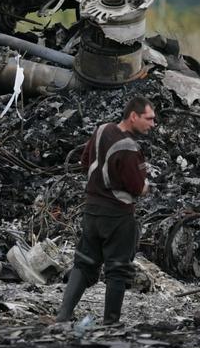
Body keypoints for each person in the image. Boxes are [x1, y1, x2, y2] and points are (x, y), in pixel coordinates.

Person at [55, 96, 156, 324]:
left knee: (84, 261)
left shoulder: (101, 130)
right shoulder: (130, 148)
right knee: (117, 268)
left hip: (91, 211)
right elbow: (138, 188)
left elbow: (84, 162)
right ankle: (111, 322)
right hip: (118, 216)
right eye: (148, 119)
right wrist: (147, 187)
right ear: (133, 116)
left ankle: (64, 313)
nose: (152, 125)